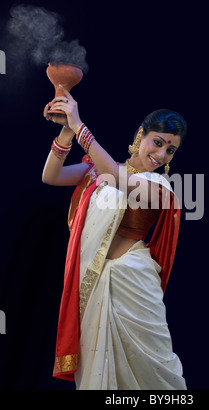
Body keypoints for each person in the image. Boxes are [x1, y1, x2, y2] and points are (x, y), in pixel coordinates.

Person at [42, 84, 187, 390]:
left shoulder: (160, 188)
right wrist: (67, 132)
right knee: (99, 370)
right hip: (94, 282)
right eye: (157, 142)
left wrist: (80, 126)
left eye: (170, 149)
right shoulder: (97, 171)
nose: (160, 154)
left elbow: (119, 178)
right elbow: (51, 176)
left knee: (154, 372)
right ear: (140, 134)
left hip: (134, 282)